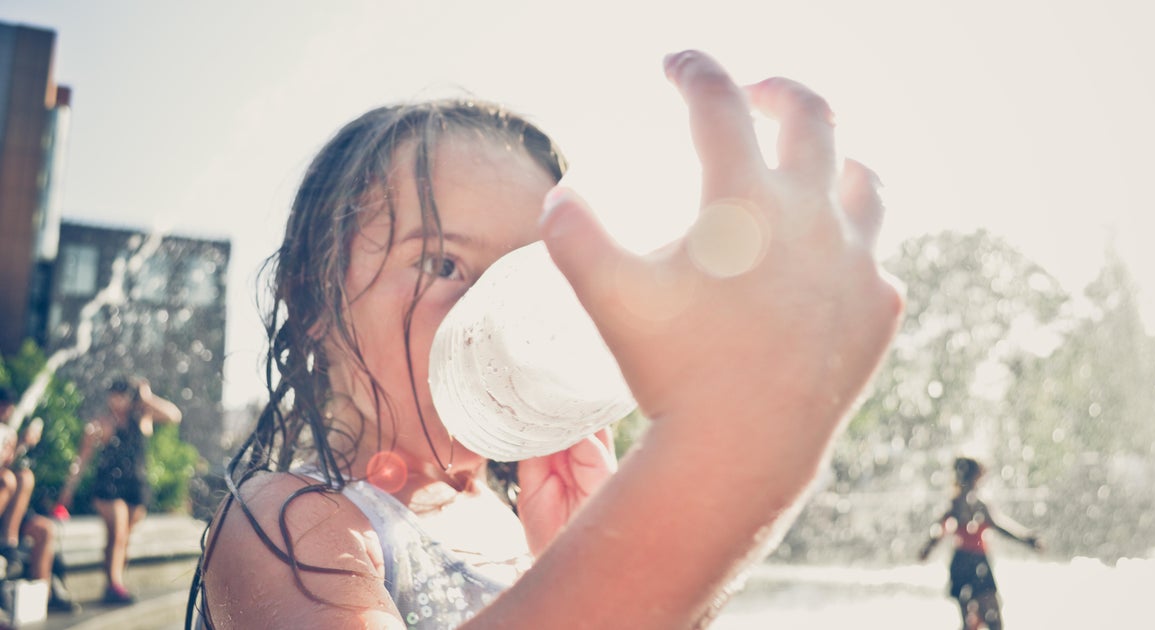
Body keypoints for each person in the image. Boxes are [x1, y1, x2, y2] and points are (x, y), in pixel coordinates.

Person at [191, 50, 904, 628]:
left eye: (533, 274)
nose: (499, 314)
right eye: (443, 264)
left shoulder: (524, 529)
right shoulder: (288, 525)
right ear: (315, 297)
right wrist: (717, 465)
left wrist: (599, 551)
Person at [57, 377, 181, 605]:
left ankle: (112, 583)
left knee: (122, 538)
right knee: (119, 531)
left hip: (136, 484)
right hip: (108, 486)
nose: (117, 400)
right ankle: (115, 584)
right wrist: (68, 490)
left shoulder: (143, 418)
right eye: (113, 394)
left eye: (122, 395)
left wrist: (147, 397)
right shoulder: (101, 423)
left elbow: (174, 416)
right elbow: (81, 460)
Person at [918, 456, 1043, 630]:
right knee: (992, 620)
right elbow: (999, 527)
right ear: (976, 476)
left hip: (960, 562)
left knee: (969, 621)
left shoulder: (955, 502)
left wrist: (928, 548)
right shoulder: (976, 504)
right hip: (977, 563)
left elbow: (939, 530)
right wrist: (1026, 538)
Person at [0, 387, 79, 615]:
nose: (6, 411)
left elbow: (10, 465)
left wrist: (23, 445)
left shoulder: (9, 433)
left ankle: (41, 600)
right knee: (9, 480)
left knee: (45, 529)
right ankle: (8, 542)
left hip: (11, 511)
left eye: (8, 406)